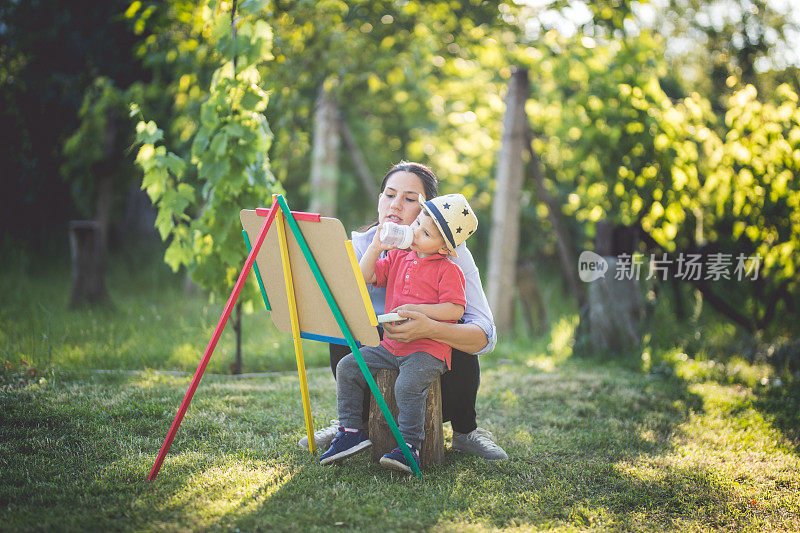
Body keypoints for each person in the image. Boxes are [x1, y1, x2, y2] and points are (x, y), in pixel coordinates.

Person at [300, 161, 507, 461]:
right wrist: (375, 249)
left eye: (410, 199)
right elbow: (358, 285)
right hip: (382, 353)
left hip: (428, 362)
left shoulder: (453, 256)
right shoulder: (362, 245)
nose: (396, 205)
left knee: (460, 334)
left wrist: (430, 327)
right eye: (389, 194)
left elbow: (484, 335)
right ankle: (352, 426)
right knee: (345, 322)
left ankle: (464, 431)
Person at [319, 193, 476, 472]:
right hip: (391, 346)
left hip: (427, 351)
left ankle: (410, 447)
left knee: (406, 386)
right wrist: (377, 247)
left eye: (426, 233)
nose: (416, 232)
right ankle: (351, 432)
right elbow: (364, 276)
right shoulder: (398, 257)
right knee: (349, 367)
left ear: (444, 249)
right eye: (417, 224)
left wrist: (420, 311)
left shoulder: (448, 270)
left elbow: (454, 310)